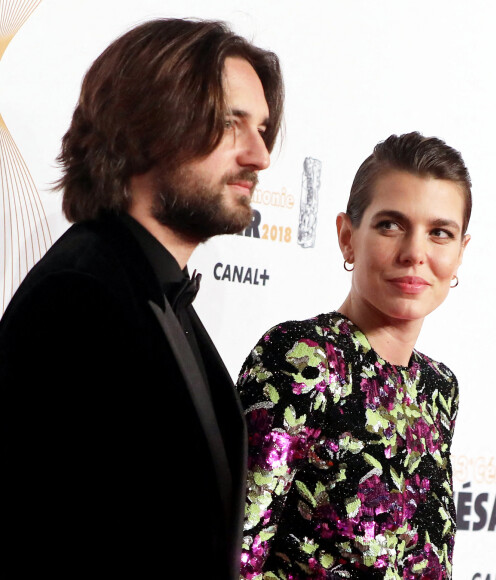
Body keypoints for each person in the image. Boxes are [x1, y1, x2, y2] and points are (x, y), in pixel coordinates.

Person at [0, 18, 283, 577]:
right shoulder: (78, 300)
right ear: (148, 126)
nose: (260, 155)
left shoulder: (153, 294)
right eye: (232, 123)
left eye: (263, 128)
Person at [237, 132, 471, 579]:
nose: (414, 254)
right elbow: (239, 556)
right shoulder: (302, 359)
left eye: (440, 233)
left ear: (461, 252)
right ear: (348, 237)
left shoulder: (440, 388)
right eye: (391, 225)